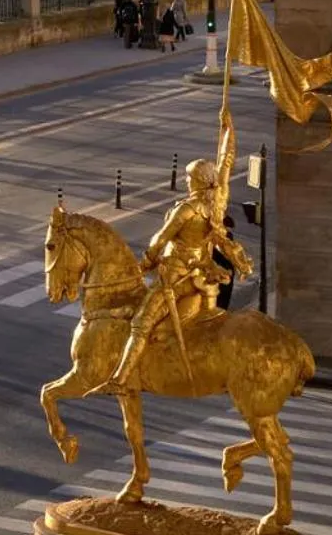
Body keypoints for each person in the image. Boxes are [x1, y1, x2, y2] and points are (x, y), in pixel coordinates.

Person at [104, 158, 249, 392]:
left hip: (174, 279)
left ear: (199, 181)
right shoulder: (213, 209)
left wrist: (146, 262)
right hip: (197, 277)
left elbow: (161, 238)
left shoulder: (187, 209)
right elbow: (215, 245)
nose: (186, 181)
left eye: (189, 177)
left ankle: (119, 380)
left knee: (141, 324)